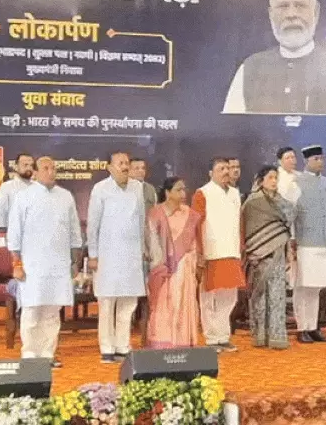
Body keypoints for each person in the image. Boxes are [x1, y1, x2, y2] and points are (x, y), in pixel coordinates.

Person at [7, 156, 82, 367]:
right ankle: (30, 356)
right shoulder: (24, 197)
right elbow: (14, 234)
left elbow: (75, 232)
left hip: (59, 265)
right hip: (32, 266)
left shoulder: (65, 196)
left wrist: (75, 262)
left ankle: (48, 355)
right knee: (32, 311)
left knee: (52, 313)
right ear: (36, 172)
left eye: (53, 168)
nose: (51, 172)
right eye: (46, 168)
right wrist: (17, 265)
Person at [86, 151, 146, 363]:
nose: (125, 166)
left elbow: (140, 220)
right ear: (109, 168)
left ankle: (122, 346)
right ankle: (107, 348)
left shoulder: (137, 187)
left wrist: (142, 249)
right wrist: (93, 255)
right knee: (107, 303)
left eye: (127, 162)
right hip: (107, 256)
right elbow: (93, 225)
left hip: (131, 255)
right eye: (120, 163)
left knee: (128, 304)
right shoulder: (100, 189)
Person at [191, 157, 244, 352]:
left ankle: (223, 336)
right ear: (210, 173)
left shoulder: (235, 193)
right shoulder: (203, 193)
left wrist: (241, 247)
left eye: (227, 168)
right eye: (221, 169)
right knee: (209, 299)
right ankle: (212, 338)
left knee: (230, 297)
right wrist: (199, 252)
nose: (226, 172)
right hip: (211, 253)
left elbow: (239, 223)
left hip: (231, 251)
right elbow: (195, 225)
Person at [146, 177, 203, 349]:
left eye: (184, 189)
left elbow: (194, 242)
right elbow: (151, 241)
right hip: (162, 268)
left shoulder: (189, 214)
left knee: (183, 301)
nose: (183, 193)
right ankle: (162, 341)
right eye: (178, 190)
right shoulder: (156, 213)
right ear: (167, 193)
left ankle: (182, 340)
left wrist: (191, 260)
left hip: (185, 266)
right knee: (164, 303)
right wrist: (162, 264)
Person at [290, 145, 326, 343]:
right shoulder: (296, 183)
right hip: (304, 242)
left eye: (321, 158)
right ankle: (301, 327)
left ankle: (313, 326)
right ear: (306, 161)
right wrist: (292, 239)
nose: (320, 162)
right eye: (316, 159)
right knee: (303, 286)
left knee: (316, 287)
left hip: (324, 241)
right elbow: (290, 214)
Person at [242, 166, 291, 350]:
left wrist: (288, 250)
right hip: (258, 254)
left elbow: (289, 219)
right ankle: (260, 336)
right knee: (260, 296)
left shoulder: (281, 201)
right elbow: (247, 227)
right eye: (270, 177)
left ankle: (277, 336)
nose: (274, 181)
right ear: (261, 181)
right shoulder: (253, 202)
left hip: (278, 252)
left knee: (277, 294)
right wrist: (252, 251)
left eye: (276, 177)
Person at [0, 153, 35, 228]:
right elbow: (0, 215)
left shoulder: (38, 187)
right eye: (25, 165)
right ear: (16, 167)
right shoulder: (6, 187)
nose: (29, 168)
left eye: (31, 165)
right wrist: (0, 233)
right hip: (13, 233)